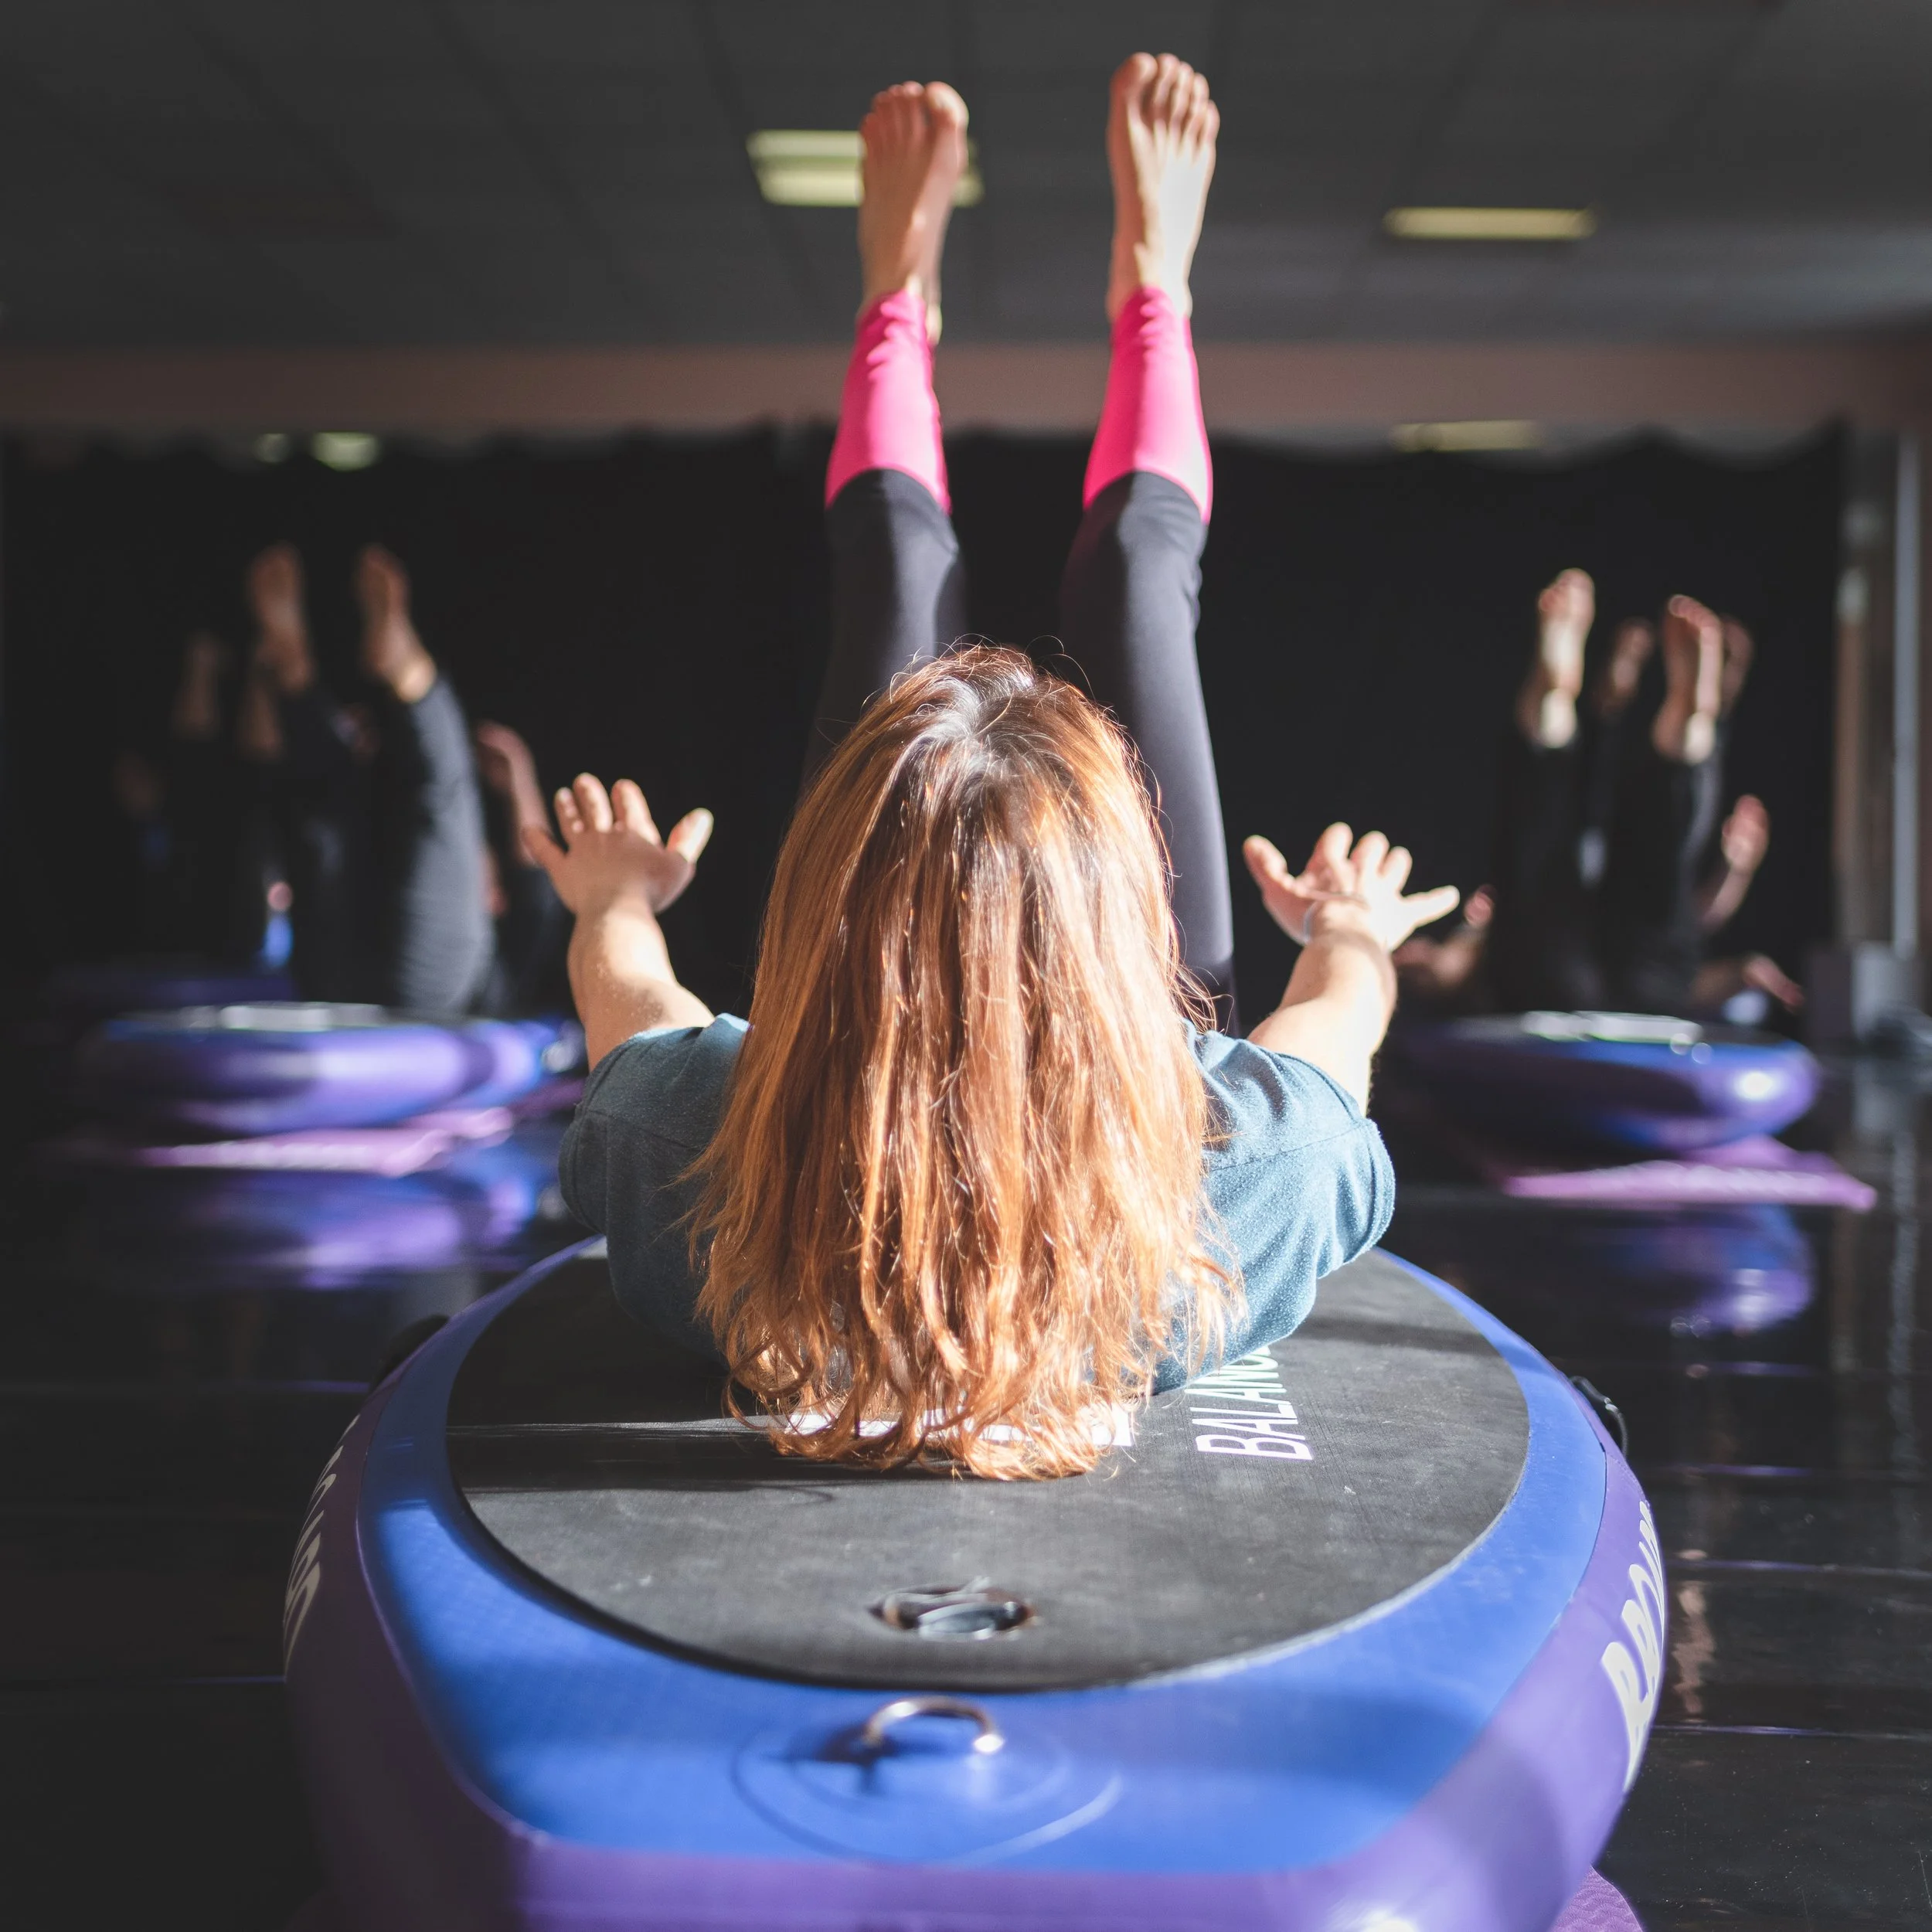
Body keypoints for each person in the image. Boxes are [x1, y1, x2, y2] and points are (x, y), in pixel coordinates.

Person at [538, 56, 1457, 1481]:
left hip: (846, 1059)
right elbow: (1335, 1024)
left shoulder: (703, 1167)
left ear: (822, 913)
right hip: (1137, 1064)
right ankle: (1155, 287)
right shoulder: (1225, 1194)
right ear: (1123, 922)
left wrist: (612, 892)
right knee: (1145, 585)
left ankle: (896, 304)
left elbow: (626, 997)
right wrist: (1349, 930)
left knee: (903, 574)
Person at [1406, 570, 1799, 1019]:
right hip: (1647, 993)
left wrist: (1437, 964)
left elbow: (1455, 967)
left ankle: (1555, 705)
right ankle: (1683, 729)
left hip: (1546, 989)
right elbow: (1692, 914)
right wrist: (1736, 878)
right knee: (1658, 864)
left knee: (1541, 842)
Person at [239, 542, 495, 1014]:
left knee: (326, 811)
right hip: (420, 1002)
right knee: (439, 802)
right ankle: (400, 674)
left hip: (331, 984)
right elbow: (537, 902)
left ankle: (299, 673)